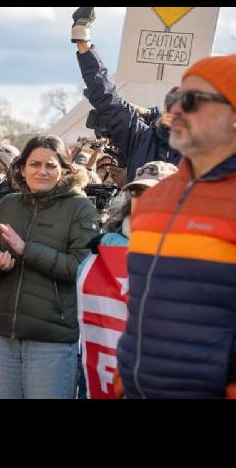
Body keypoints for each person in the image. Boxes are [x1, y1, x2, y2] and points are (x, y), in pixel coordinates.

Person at [117, 54, 236, 398]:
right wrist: (128, 372)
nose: (175, 110)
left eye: (192, 100)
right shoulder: (152, 198)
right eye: (175, 99)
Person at [0, 134, 99, 398]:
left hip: (51, 340)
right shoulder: (8, 204)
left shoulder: (81, 208)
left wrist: (25, 250)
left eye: (51, 165)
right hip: (3, 336)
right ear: (21, 168)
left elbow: (82, 269)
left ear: (64, 169)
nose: (42, 171)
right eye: (35, 164)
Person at [76, 160, 177, 398]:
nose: (144, 199)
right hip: (108, 361)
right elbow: (83, 290)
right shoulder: (106, 243)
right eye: (137, 192)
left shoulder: (191, 247)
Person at [71, 7, 181, 182]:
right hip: (138, 208)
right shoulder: (142, 137)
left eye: (191, 107)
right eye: (175, 107)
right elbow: (106, 97)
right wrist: (83, 43)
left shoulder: (206, 151)